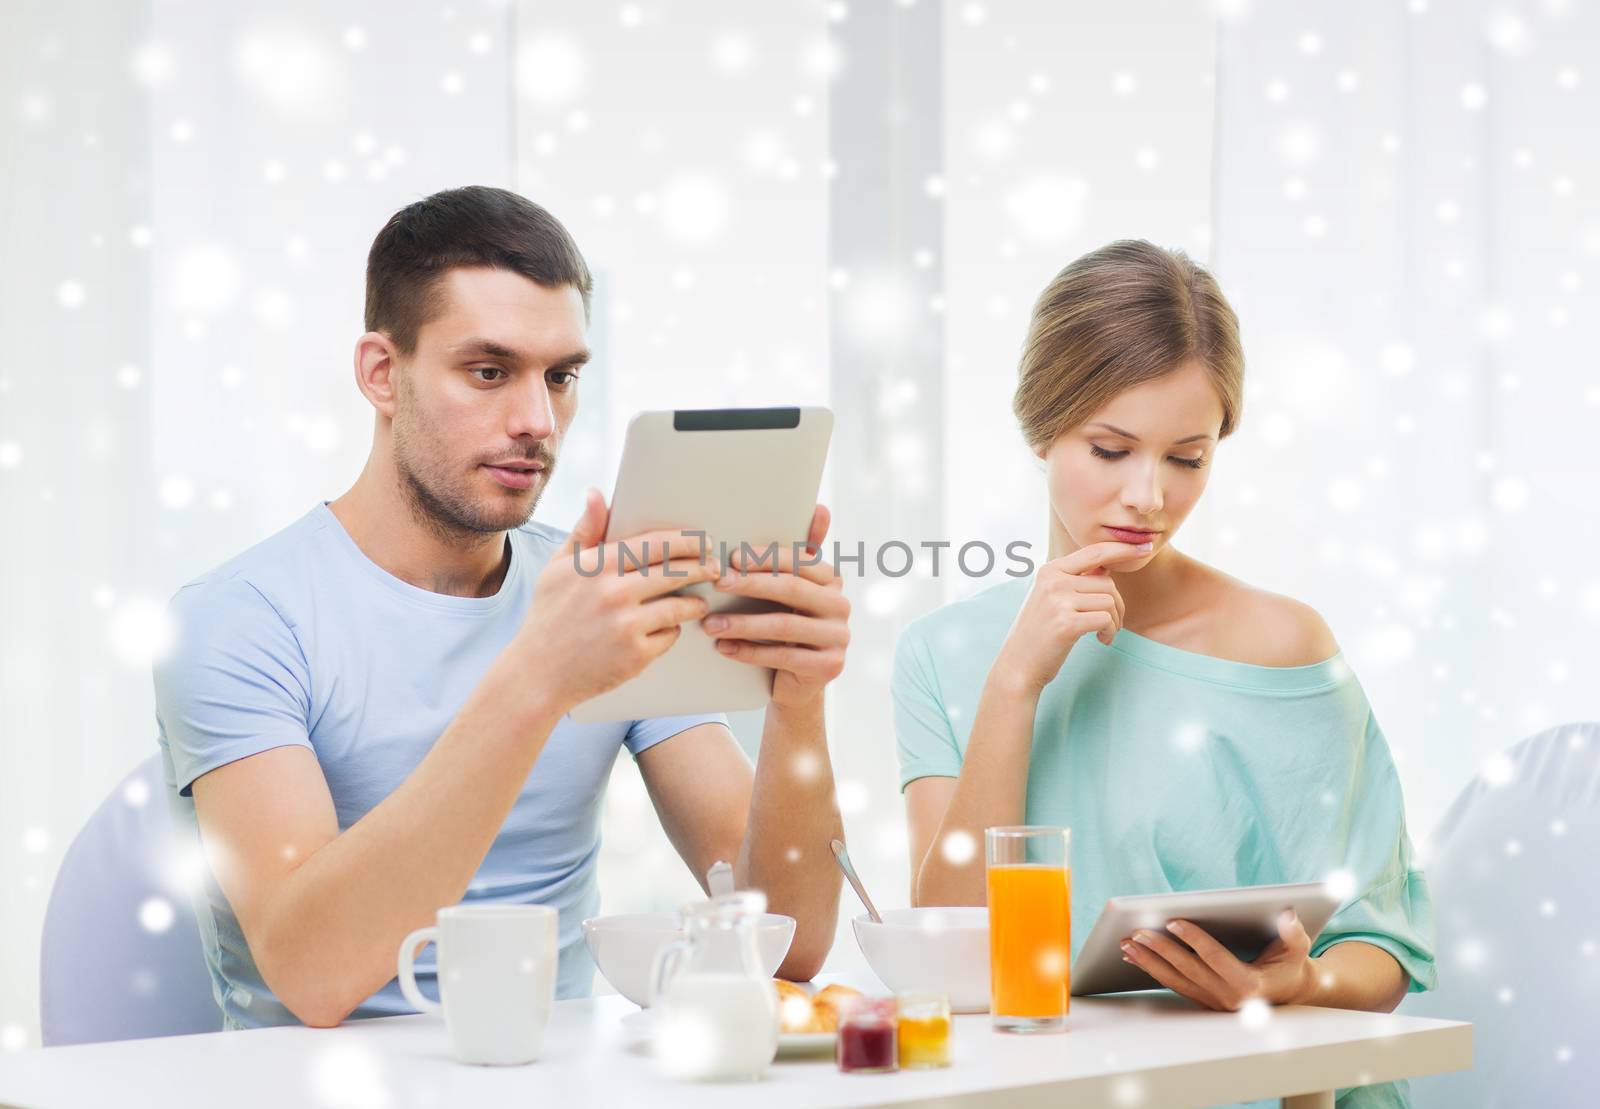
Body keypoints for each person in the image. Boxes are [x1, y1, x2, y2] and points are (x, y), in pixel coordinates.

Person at [154, 186, 848, 1030]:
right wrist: (540, 675)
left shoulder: (602, 593)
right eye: (488, 371)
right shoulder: (239, 619)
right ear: (382, 372)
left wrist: (799, 702)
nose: (536, 421)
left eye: (560, 378)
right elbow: (315, 973)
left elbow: (790, 942)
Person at [894, 241, 1434, 1107]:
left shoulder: (1284, 645)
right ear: (1042, 427)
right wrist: (1015, 684)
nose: (1149, 496)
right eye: (1111, 449)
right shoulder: (944, 654)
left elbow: (1383, 947)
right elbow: (953, 951)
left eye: (1188, 458)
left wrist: (1294, 986)